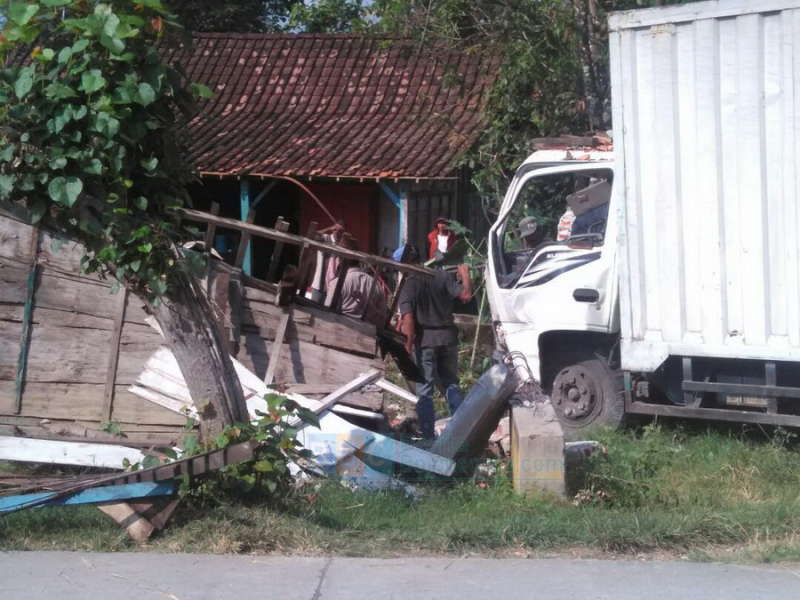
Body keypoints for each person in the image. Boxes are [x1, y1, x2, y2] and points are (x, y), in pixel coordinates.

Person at [397, 245, 473, 439]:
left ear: (404, 264)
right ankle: (461, 432)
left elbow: (408, 320)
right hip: (448, 339)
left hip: (426, 342)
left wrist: (407, 347)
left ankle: (429, 437)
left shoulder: (410, 283)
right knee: (451, 384)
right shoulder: (442, 276)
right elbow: (465, 295)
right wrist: (464, 274)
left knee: (425, 391)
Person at [325, 234, 387, 327]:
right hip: (370, 336)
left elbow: (327, 315)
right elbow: (382, 319)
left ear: (340, 259)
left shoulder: (337, 283)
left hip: (341, 335)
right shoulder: (375, 284)